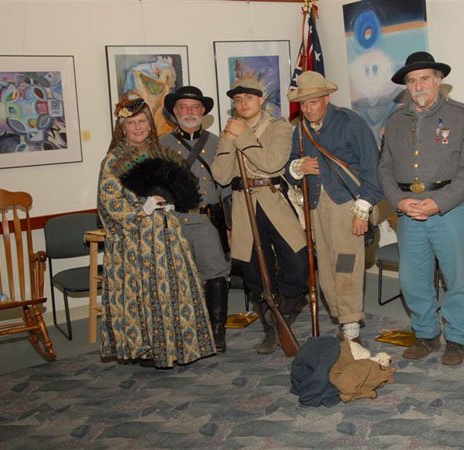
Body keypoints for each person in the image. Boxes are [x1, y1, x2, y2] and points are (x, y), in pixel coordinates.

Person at [378, 52, 464, 365]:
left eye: (425, 78)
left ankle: (457, 338)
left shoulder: (462, 115)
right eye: (412, 80)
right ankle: (426, 334)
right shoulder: (395, 121)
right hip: (408, 211)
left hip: (449, 210)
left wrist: (439, 202)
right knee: (412, 279)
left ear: (438, 80)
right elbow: (384, 167)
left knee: (459, 277)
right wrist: (398, 200)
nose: (418, 85)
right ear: (406, 86)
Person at [97, 95, 215, 368]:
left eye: (142, 122)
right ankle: (148, 348)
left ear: (150, 125)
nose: (138, 128)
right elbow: (109, 205)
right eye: (132, 123)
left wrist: (169, 202)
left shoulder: (158, 154)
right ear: (122, 128)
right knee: (144, 295)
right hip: (135, 242)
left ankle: (174, 346)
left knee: (173, 291)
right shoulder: (113, 161)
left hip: (166, 237)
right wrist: (143, 208)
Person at [211, 78, 308, 354]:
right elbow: (221, 175)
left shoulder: (279, 127)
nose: (243, 104)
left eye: (249, 98)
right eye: (238, 100)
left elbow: (271, 163)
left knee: (298, 266)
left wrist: (242, 136)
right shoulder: (229, 131)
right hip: (243, 206)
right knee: (255, 275)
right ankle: (270, 326)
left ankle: (282, 319)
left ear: (261, 100)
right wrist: (230, 139)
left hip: (274, 201)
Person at [285, 71, 383, 344]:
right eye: (303, 104)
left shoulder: (350, 123)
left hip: (347, 205)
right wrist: (297, 167)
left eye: (313, 102)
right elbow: (288, 165)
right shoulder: (300, 130)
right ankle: (342, 318)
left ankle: (351, 325)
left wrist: (362, 209)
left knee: (346, 265)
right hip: (315, 206)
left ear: (326, 98)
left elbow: (372, 167)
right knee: (326, 268)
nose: (308, 108)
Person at [160, 86, 231, 353]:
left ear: (203, 112)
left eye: (194, 107)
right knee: (177, 278)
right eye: (183, 107)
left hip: (206, 221)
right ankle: (184, 331)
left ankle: (217, 330)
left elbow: (225, 186)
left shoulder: (217, 142)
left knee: (216, 274)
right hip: (174, 219)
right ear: (174, 113)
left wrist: (231, 224)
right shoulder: (161, 144)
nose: (189, 112)